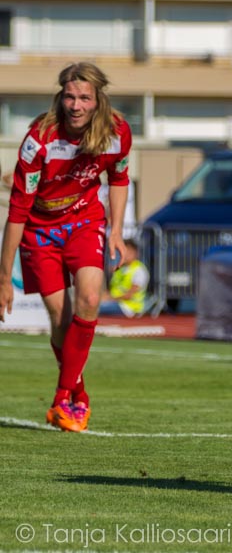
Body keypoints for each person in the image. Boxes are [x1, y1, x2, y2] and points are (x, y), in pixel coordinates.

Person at [0, 61, 131, 433]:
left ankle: (63, 398)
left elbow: (119, 178)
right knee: (60, 317)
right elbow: (18, 211)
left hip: (85, 221)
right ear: (61, 97)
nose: (76, 105)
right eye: (70, 97)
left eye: (84, 98)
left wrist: (117, 231)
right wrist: (2, 278)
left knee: (89, 299)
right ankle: (79, 393)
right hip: (40, 231)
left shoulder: (118, 131)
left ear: (98, 99)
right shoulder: (39, 140)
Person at [99, 238, 149, 317]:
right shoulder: (119, 269)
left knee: (95, 309)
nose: (125, 254)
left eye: (129, 251)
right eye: (123, 251)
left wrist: (109, 298)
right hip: (116, 303)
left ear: (136, 253)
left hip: (128, 308)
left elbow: (129, 295)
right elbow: (113, 290)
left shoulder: (139, 270)